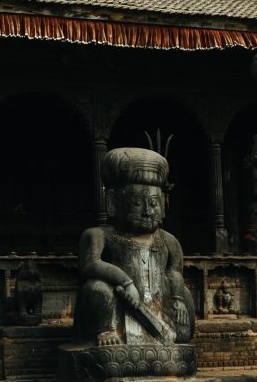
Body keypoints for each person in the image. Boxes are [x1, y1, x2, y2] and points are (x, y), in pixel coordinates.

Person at [73, 147, 194, 346]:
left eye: (154, 203)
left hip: (155, 307)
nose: (148, 211)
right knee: (97, 288)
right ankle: (107, 331)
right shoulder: (99, 235)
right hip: (119, 306)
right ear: (112, 201)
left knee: (184, 309)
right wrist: (126, 282)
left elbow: (174, 273)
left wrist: (179, 299)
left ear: (164, 205)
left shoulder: (169, 241)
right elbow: (90, 265)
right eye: (137, 203)